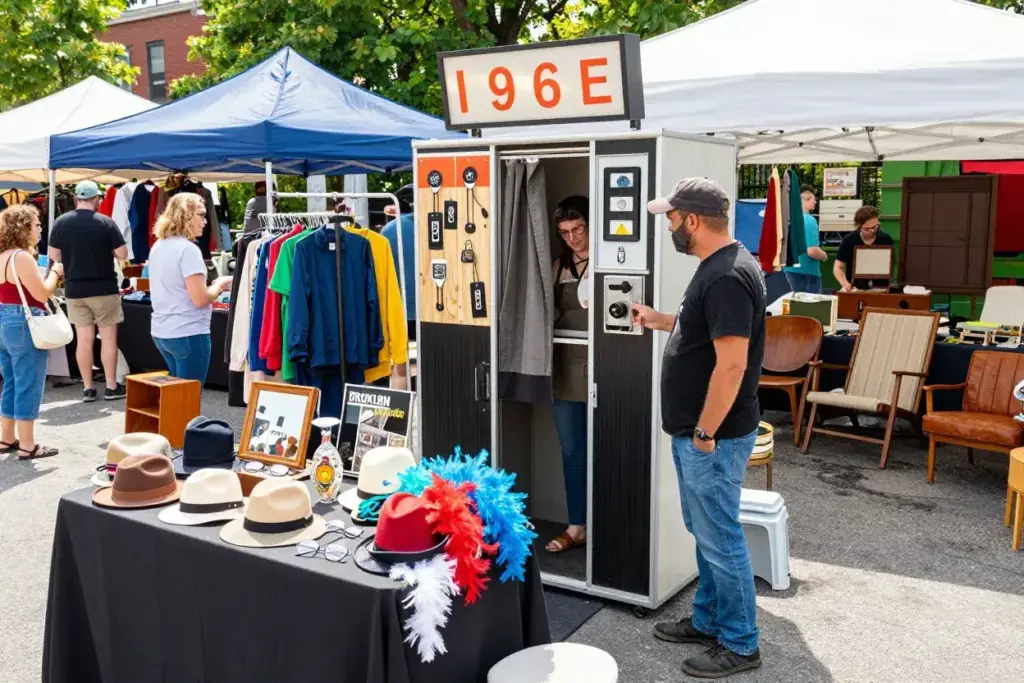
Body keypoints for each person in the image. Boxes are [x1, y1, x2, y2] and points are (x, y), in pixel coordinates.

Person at [632, 178, 765, 679]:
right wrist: (661, 320)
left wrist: (706, 432)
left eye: (670, 218)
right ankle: (710, 620)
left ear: (691, 220)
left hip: (713, 436)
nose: (668, 226)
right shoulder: (718, 267)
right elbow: (702, 330)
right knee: (705, 532)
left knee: (720, 538)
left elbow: (731, 366)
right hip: (701, 434)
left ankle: (740, 643)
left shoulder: (728, 275)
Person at [48, 181, 129, 403]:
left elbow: (54, 255)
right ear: (96, 199)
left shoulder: (61, 222)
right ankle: (111, 386)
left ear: (76, 199)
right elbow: (122, 254)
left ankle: (88, 388)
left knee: (84, 340)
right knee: (109, 339)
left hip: (75, 289)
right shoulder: (105, 222)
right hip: (103, 288)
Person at [545, 196, 591, 554]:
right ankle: (577, 525)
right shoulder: (557, 265)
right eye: (565, 232)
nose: (574, 238)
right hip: (564, 369)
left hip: (605, 368)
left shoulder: (611, 262)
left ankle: (609, 521)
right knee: (572, 450)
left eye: (579, 229)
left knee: (610, 448)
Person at [0, 205, 64, 460]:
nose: (40, 229)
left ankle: (6, 437)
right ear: (23, 227)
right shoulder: (20, 257)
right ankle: (28, 444)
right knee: (29, 381)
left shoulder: (2, 254)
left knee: (12, 381)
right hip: (24, 322)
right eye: (36, 224)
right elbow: (42, 294)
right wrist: (56, 273)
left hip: (5, 318)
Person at [148, 194, 233, 382]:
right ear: (185, 216)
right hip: (187, 330)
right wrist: (219, 285)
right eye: (201, 216)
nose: (205, 222)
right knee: (187, 398)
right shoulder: (188, 249)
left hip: (163, 330)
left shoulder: (159, 245)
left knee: (176, 396)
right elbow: (200, 299)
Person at [381, 184, 416, 339]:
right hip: (433, 308)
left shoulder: (388, 231)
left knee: (402, 357)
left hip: (399, 307)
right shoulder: (435, 224)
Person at [833, 205, 893, 291]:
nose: (872, 231)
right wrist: (846, 285)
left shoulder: (886, 239)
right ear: (858, 226)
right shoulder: (849, 240)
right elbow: (838, 267)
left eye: (875, 227)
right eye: (867, 228)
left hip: (881, 289)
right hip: (855, 288)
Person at [782, 185, 828, 293]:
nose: (815, 202)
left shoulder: (788, 219)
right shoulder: (809, 221)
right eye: (812, 199)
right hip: (807, 271)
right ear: (806, 199)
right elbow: (812, 251)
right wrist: (824, 256)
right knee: (809, 308)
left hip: (789, 268)